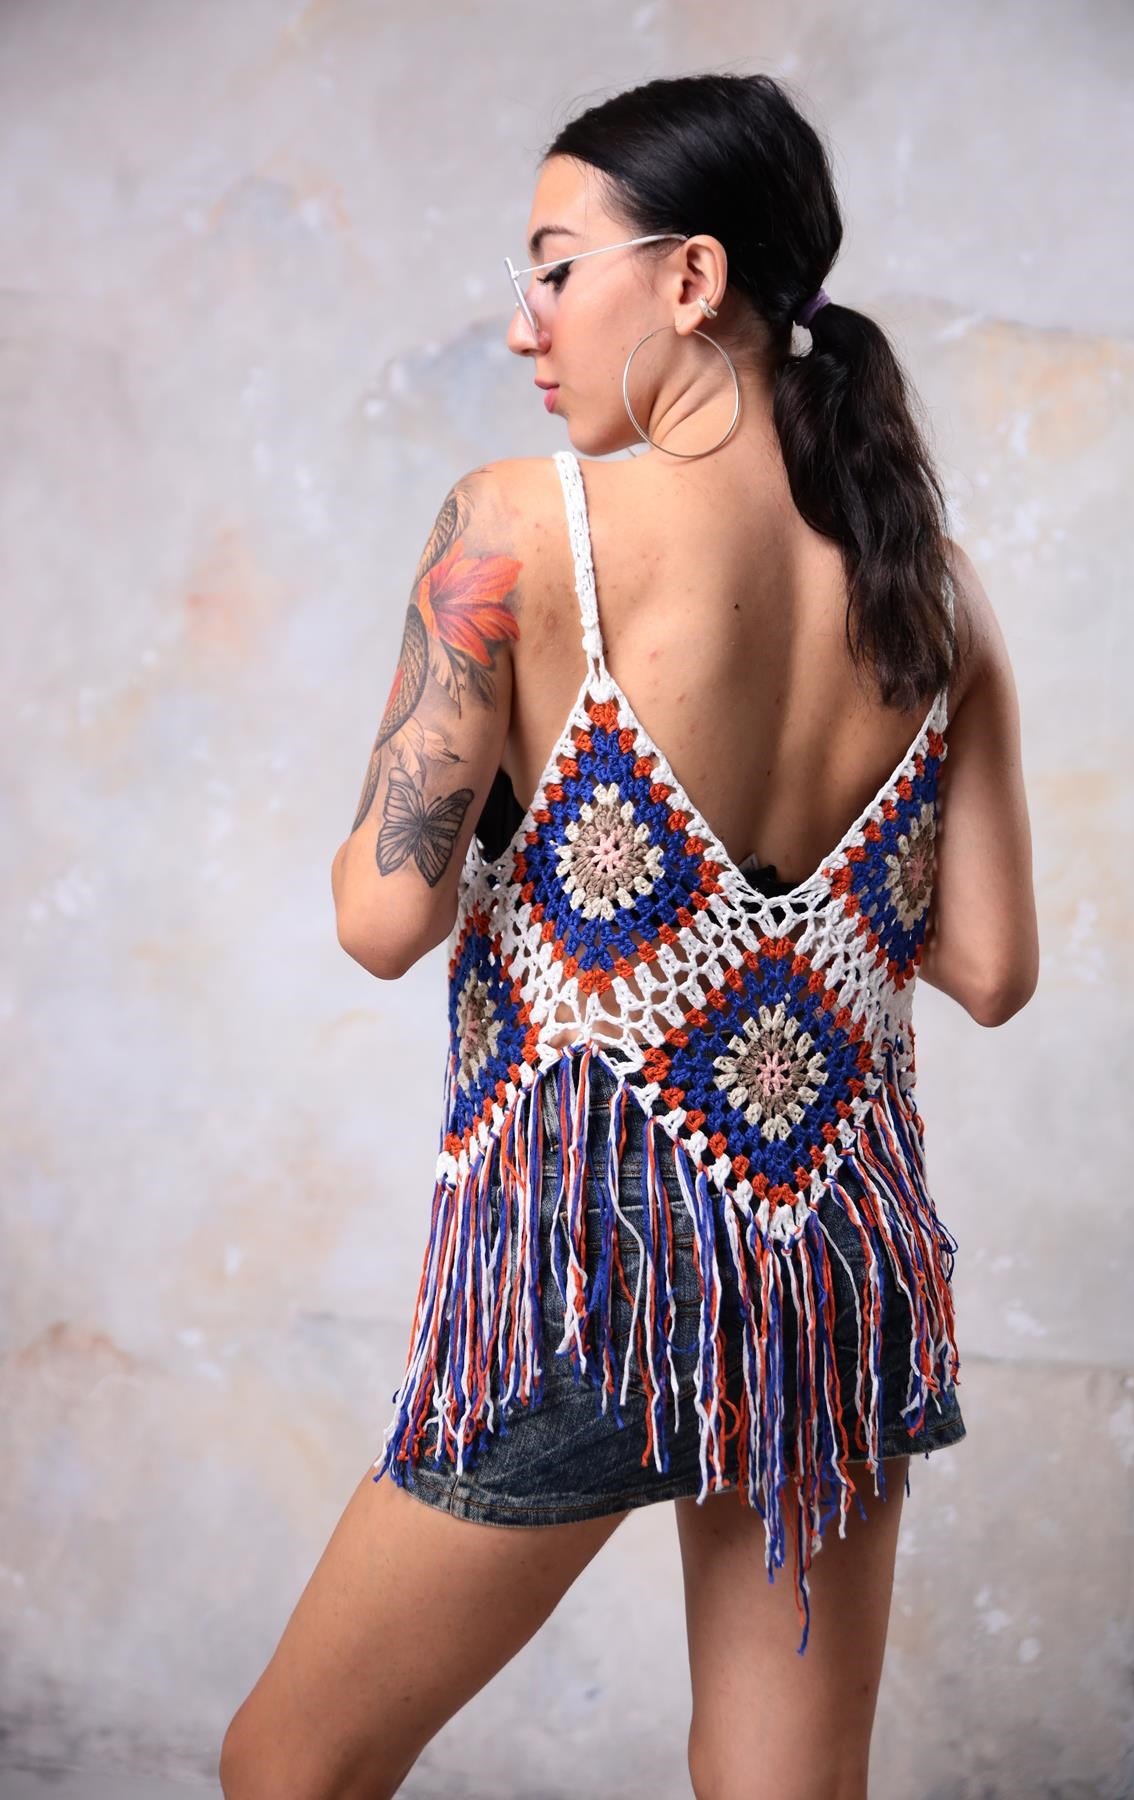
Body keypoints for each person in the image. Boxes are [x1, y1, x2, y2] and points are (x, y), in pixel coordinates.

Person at [220, 71, 1038, 1800]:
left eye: (552, 267)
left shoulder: (516, 528)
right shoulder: (933, 585)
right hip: (833, 1270)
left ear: (690, 277)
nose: (524, 323)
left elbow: (383, 919)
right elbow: (990, 967)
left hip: (597, 1270)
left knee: (289, 1767)